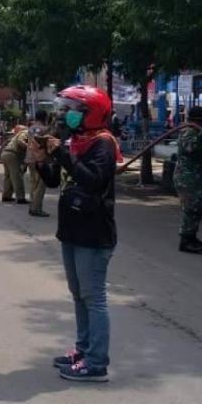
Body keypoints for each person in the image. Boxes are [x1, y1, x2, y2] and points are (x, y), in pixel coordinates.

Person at [31, 85, 120, 383]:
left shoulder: (103, 144)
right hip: (71, 229)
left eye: (72, 109)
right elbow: (57, 181)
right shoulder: (76, 141)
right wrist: (42, 159)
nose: (65, 114)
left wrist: (63, 153)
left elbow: (93, 181)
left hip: (93, 233)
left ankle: (96, 363)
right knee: (78, 296)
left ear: (90, 113)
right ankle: (83, 350)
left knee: (93, 298)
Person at [174, 106, 202, 254]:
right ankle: (185, 241)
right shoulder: (188, 132)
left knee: (196, 208)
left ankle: (192, 237)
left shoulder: (195, 131)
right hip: (187, 177)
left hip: (195, 176)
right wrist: (201, 136)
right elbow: (190, 148)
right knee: (190, 208)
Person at [26, 111, 50, 216]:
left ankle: (32, 205)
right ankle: (36, 208)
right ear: (45, 118)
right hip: (39, 159)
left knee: (33, 183)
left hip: (30, 158)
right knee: (41, 185)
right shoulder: (45, 129)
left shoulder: (31, 128)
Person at [1, 126, 29, 204]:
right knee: (17, 177)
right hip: (12, 155)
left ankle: (6, 195)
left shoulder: (16, 136)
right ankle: (20, 198)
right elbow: (20, 141)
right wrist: (29, 147)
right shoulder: (25, 132)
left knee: (8, 177)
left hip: (6, 153)